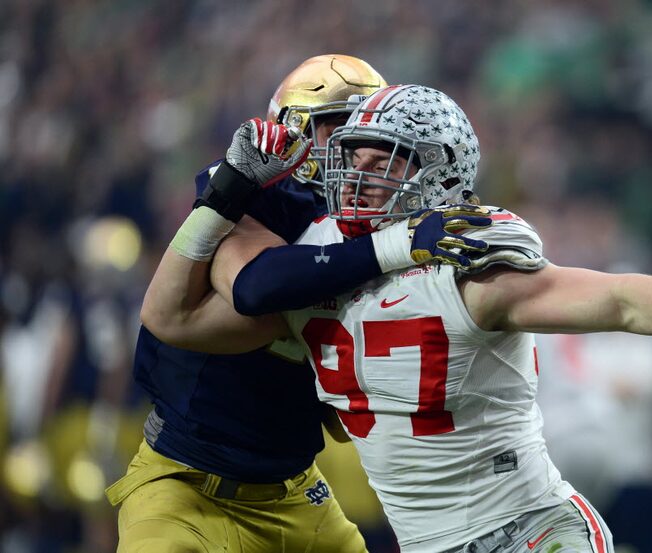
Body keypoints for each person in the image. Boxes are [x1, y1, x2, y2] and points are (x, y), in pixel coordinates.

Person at [142, 84, 652, 553]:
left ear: (439, 174)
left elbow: (620, 299)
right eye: (354, 158)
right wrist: (221, 197)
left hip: (531, 529)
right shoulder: (315, 274)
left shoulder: (469, 270)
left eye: (384, 162)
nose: (359, 177)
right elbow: (171, 316)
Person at [106, 58, 489, 553]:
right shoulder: (247, 189)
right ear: (292, 130)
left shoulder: (381, 214)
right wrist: (390, 251)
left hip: (297, 494)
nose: (355, 148)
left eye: (368, 132)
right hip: (187, 485)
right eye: (337, 127)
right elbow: (259, 287)